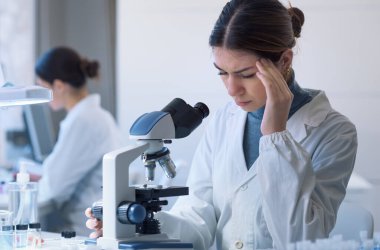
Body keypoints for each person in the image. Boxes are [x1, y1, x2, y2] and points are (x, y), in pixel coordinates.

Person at [86, 0, 358, 249]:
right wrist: (139, 225)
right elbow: (199, 220)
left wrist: (275, 135)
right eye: (222, 73)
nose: (231, 89)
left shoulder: (333, 132)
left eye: (246, 74)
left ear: (284, 61)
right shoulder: (223, 121)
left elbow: (300, 240)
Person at [35, 47, 123, 236]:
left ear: (58, 85)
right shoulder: (95, 115)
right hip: (91, 223)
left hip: (85, 229)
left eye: (42, 86)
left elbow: (53, 188)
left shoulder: (83, 120)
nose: (42, 97)